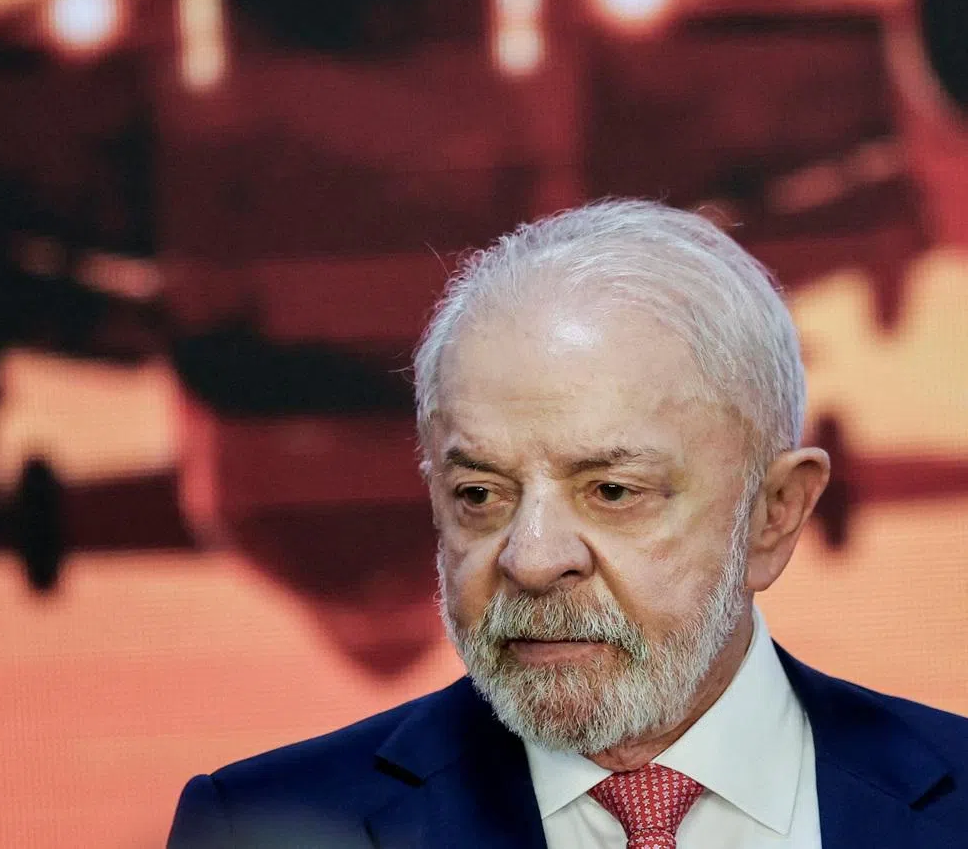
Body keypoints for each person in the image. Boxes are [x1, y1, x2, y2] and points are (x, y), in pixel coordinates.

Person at [168, 198, 968, 848]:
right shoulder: (262, 830)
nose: (533, 557)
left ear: (776, 514)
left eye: (613, 491)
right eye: (480, 495)